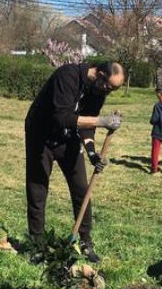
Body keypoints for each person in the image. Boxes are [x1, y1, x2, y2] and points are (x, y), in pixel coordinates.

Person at [25, 61, 125, 263]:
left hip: (67, 138)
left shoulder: (98, 92)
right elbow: (61, 117)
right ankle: (37, 244)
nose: (108, 92)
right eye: (108, 87)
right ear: (100, 74)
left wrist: (92, 153)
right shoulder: (67, 76)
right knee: (38, 188)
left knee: (81, 188)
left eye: (113, 90)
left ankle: (85, 242)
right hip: (40, 136)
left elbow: (87, 125)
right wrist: (102, 121)